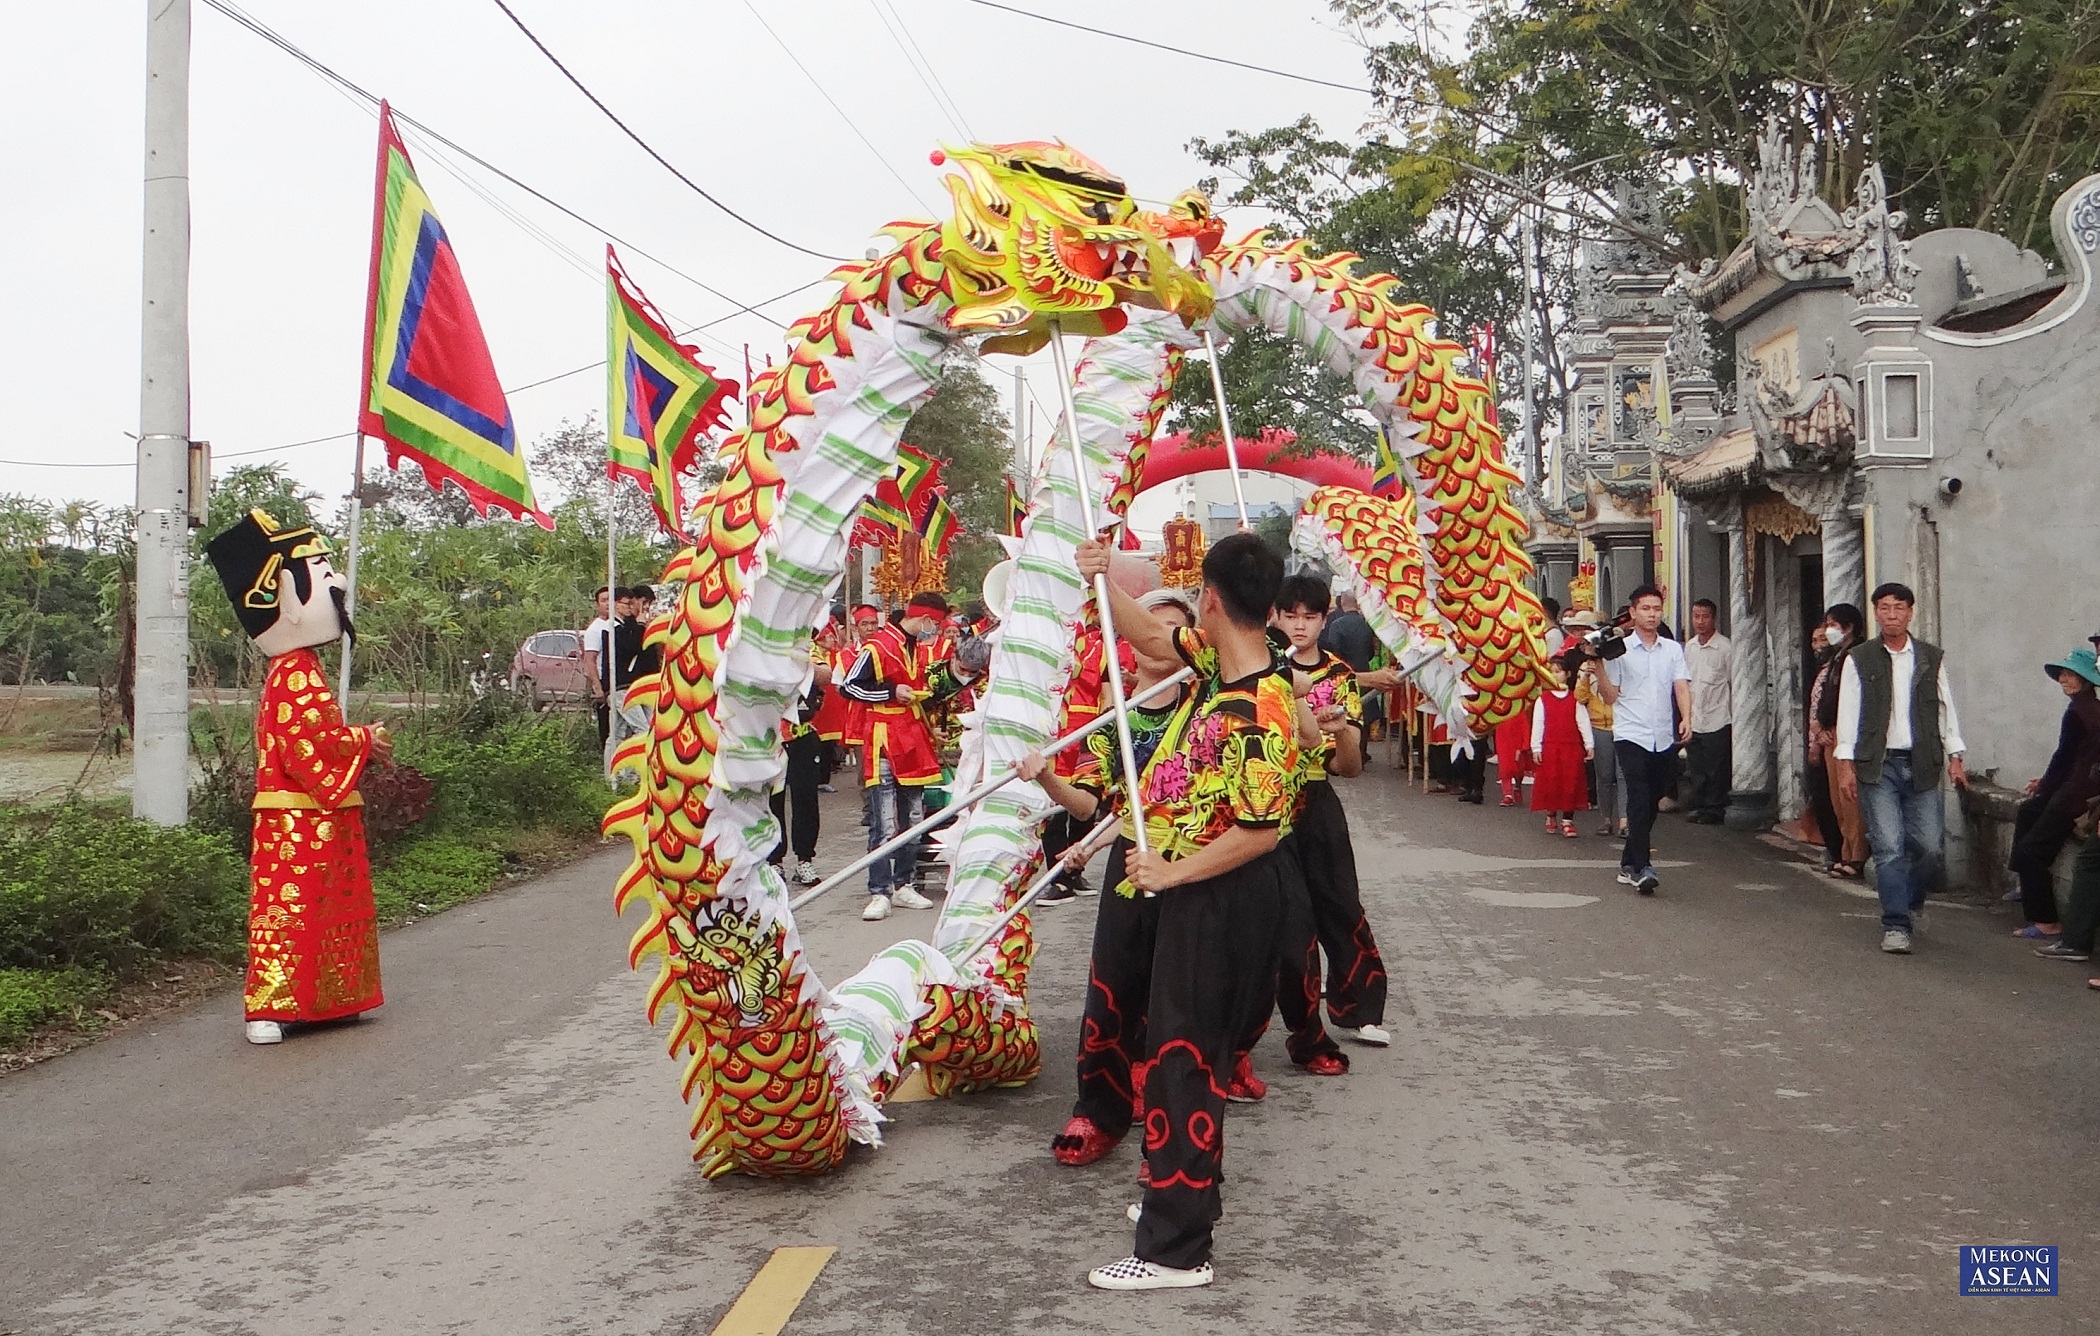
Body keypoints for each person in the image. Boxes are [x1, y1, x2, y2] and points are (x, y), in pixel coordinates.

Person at [1074, 532, 1298, 1293]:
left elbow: (1259, 830)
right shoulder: (1223, 661)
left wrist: (1172, 871)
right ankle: (1182, 1199)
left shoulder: (1258, 707)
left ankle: (1175, 1251)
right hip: (1199, 893)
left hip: (1221, 897)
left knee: (1183, 1061)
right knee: (1179, 1052)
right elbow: (1147, 636)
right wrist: (1103, 581)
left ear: (1209, 599)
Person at [1021, 588, 1196, 1167]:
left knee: (1183, 993)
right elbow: (1088, 804)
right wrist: (1047, 778)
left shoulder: (1210, 708)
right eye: (1147, 624)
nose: (1158, 637)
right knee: (1113, 987)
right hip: (1131, 864)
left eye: (1172, 627)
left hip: (1196, 860)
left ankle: (1175, 1131)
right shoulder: (1111, 722)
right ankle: (1098, 1111)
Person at [203, 511, 392, 1045]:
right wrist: (362, 739)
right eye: (324, 572)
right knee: (289, 914)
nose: (339, 582)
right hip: (295, 823)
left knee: (327, 911)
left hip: (320, 818)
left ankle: (328, 1001)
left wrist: (355, 740)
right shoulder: (292, 671)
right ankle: (270, 1007)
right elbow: (306, 744)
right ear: (286, 595)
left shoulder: (303, 667)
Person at [1270, 574, 1387, 1053]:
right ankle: (1295, 1019)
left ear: (1324, 620)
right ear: (1275, 617)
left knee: (1340, 904)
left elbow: (1349, 767)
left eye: (1310, 616)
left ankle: (1361, 1009)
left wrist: (1340, 733)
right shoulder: (1260, 669)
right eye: (1291, 616)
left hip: (1316, 800)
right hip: (1266, 804)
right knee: (1285, 917)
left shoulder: (1338, 675)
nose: (1299, 626)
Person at [1832, 582, 1970, 955]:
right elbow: (1849, 712)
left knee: (1930, 848)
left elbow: (1945, 707)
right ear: (1876, 613)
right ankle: (1896, 924)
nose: (1891, 615)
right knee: (1889, 846)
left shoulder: (1930, 658)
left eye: (1898, 608)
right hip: (1878, 764)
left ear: (1910, 612)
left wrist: (1955, 755)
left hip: (1921, 760)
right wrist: (1845, 764)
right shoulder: (1860, 658)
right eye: (1884, 608)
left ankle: (1910, 898)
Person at [839, 591, 977, 920]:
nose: (935, 630)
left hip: (913, 738)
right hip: (884, 739)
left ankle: (904, 884)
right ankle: (879, 891)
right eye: (935, 624)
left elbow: (927, 692)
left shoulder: (918, 648)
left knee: (913, 819)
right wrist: (890, 691)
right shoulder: (877, 647)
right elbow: (848, 686)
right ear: (925, 618)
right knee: (884, 822)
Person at [1590, 585, 1691, 896]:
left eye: (1656, 609)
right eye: (1645, 608)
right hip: (1630, 734)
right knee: (1637, 795)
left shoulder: (1672, 649)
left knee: (1652, 800)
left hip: (1662, 735)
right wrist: (1599, 667)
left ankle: (1628, 861)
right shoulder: (1619, 650)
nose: (1652, 614)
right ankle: (1642, 867)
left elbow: (1681, 686)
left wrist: (1686, 717)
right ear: (1632, 613)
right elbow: (1610, 696)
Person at [2007, 647, 2100, 940]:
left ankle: (2046, 920)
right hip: (2072, 788)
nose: (2063, 679)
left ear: (2085, 680)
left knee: (2032, 851)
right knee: (2028, 811)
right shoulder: (2086, 707)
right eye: (2062, 674)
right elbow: (2071, 759)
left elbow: (2064, 758)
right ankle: (2024, 885)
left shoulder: (2081, 712)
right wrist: (2045, 783)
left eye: (2070, 675)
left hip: (2075, 797)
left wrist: (2048, 785)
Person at [1805, 604, 1870, 878]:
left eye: (1833, 625)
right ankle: (1845, 852)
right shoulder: (1837, 657)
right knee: (1837, 801)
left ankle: (1857, 856)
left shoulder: (1856, 657)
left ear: (1849, 627)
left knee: (1850, 800)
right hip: (1830, 733)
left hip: (1846, 734)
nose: (1829, 630)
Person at [769, 639, 835, 888]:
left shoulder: (804, 643)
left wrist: (797, 662)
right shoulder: (759, 641)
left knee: (806, 798)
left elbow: (826, 676)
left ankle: (805, 860)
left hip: (803, 733)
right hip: (769, 738)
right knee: (772, 802)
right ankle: (774, 861)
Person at [1569, 612, 1625, 839]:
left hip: (1622, 725)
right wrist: (1585, 677)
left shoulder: (1621, 664)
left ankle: (1624, 821)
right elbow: (1579, 697)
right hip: (1599, 726)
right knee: (1604, 776)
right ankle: (1606, 819)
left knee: (1623, 776)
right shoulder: (1586, 666)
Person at [1530, 656, 1595, 837]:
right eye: (1551, 672)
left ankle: (1567, 820)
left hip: (1571, 747)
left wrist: (1589, 744)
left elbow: (1583, 722)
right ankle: (1551, 814)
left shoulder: (1575, 698)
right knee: (1551, 781)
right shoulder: (1543, 699)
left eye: (1558, 672)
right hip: (1550, 747)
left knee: (1570, 783)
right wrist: (1536, 747)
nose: (1555, 675)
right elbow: (1538, 724)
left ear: (1568, 674)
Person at [1681, 598, 1733, 824]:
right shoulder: (1690, 647)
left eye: (1705, 616)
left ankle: (1715, 809)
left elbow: (1733, 681)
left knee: (1716, 768)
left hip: (1718, 717)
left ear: (1714, 618)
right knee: (1697, 767)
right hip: (1695, 718)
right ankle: (1700, 806)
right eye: (1696, 616)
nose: (1700, 622)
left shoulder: (1725, 647)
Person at [582, 586, 614, 745]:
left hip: (617, 681)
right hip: (604, 682)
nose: (608, 603)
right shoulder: (595, 630)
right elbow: (590, 660)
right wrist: (598, 687)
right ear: (597, 604)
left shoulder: (616, 624)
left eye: (611, 599)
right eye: (604, 600)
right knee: (606, 728)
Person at [1317, 589, 1377, 671]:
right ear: (1357, 603)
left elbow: (1334, 650)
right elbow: (1371, 652)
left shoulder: (1337, 625)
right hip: (1364, 669)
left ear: (1342, 603)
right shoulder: (1367, 624)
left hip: (1344, 671)